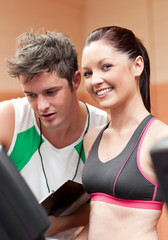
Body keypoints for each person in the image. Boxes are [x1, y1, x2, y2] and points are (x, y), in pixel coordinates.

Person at [0, 29, 109, 238]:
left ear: (75, 81)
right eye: (31, 95)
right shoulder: (9, 118)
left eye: (51, 92)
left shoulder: (104, 129)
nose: (42, 106)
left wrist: (56, 225)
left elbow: (110, 208)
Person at [75, 26, 168, 240]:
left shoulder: (161, 140)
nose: (95, 80)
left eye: (106, 67)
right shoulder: (92, 138)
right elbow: (100, 219)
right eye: (88, 73)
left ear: (137, 66)